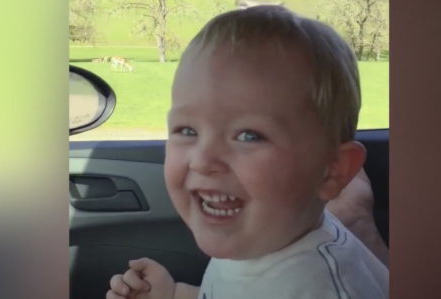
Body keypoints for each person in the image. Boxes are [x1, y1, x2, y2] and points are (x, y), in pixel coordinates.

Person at [107, 5, 388, 299]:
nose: (203, 160)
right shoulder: (264, 236)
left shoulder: (319, 289)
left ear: (331, 170)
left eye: (248, 136)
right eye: (187, 131)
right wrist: (174, 294)